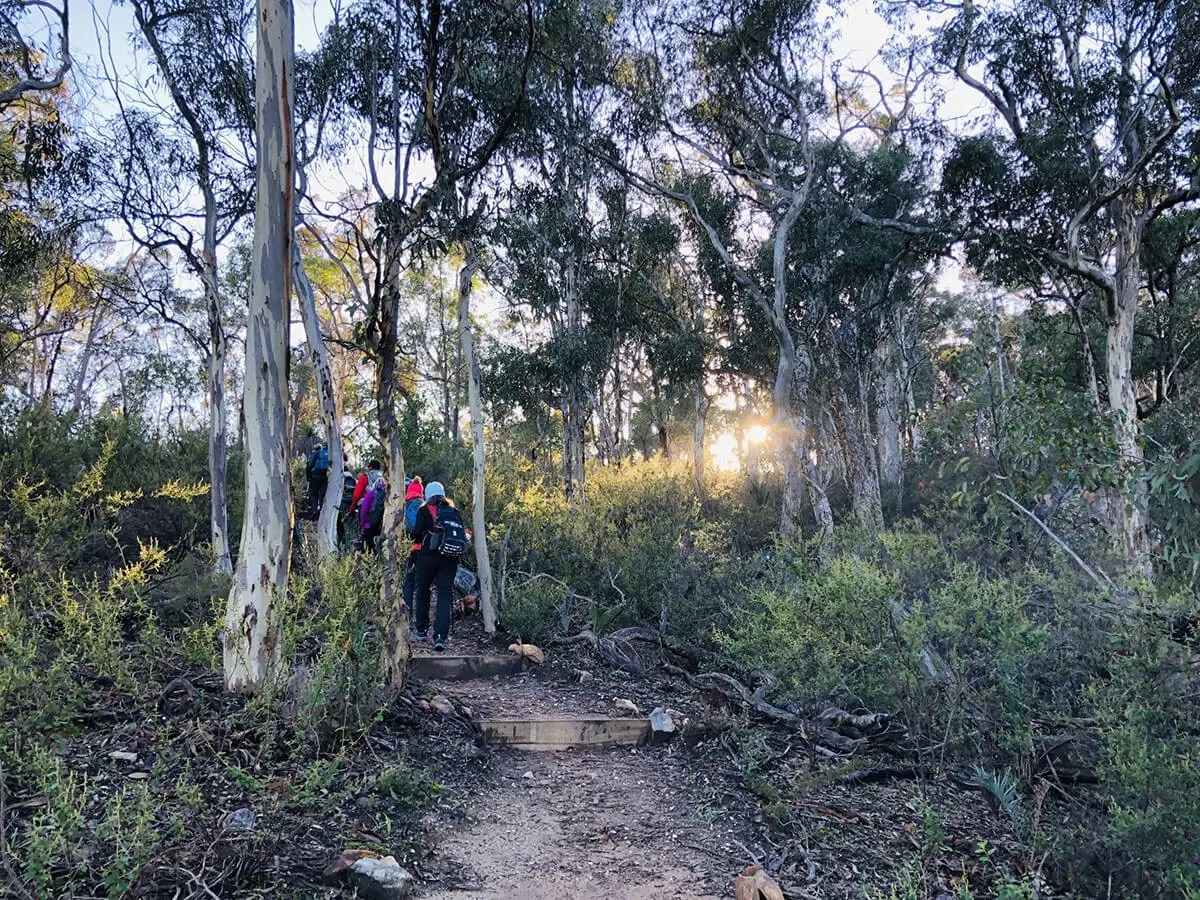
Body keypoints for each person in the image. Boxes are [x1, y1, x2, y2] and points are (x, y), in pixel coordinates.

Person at [410, 481, 468, 651]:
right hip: (449, 558)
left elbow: (416, 533)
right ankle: (440, 637)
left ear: (427, 495)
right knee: (444, 596)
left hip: (427, 557)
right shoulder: (453, 512)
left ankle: (421, 630)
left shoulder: (424, 511)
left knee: (422, 590)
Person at [402, 477, 424, 613]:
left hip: (407, 548)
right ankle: (421, 617)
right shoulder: (424, 506)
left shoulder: (403, 505)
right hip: (422, 549)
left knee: (408, 582)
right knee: (422, 584)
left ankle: (407, 614)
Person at [359, 475, 388, 553]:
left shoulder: (370, 494)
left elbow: (364, 511)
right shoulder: (387, 495)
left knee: (367, 550)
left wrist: (362, 525)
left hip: (368, 525)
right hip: (381, 527)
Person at [305, 442, 330, 517]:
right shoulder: (330, 454)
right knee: (322, 494)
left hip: (315, 476)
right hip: (325, 476)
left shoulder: (316, 454)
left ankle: (314, 510)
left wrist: (309, 478)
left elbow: (310, 466)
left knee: (314, 494)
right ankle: (322, 511)